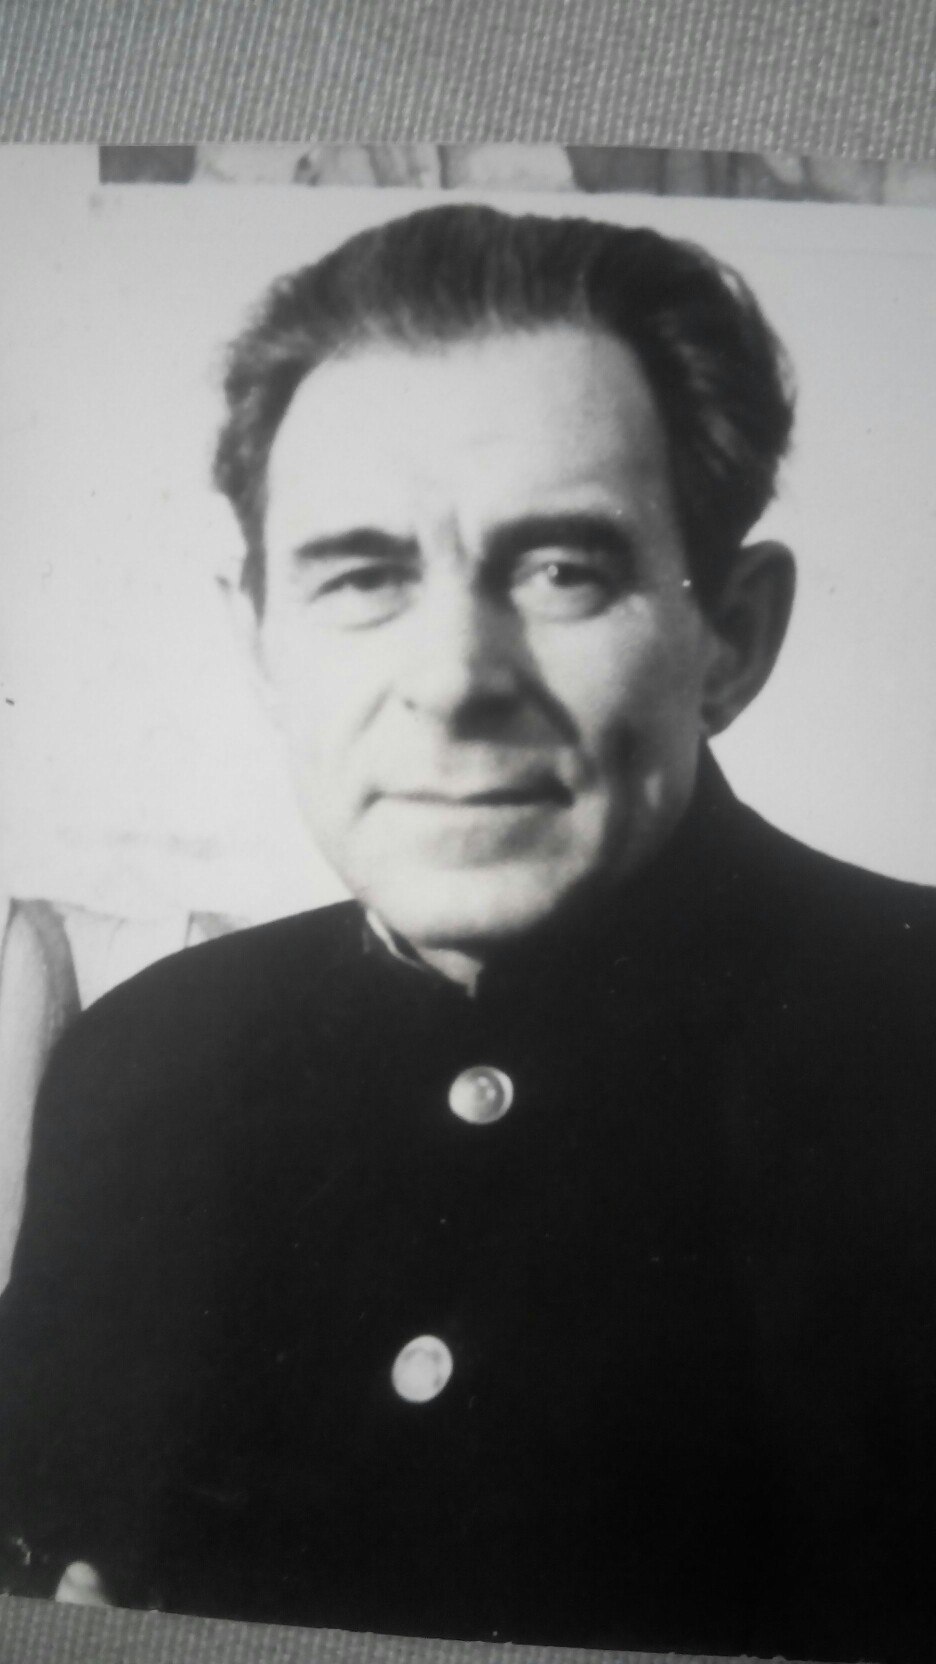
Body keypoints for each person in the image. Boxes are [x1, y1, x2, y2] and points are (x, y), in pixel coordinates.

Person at [1, 203, 935, 1662]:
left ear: (734, 637)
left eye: (563, 569)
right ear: (260, 643)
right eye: (360, 576)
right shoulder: (145, 1067)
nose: (451, 680)